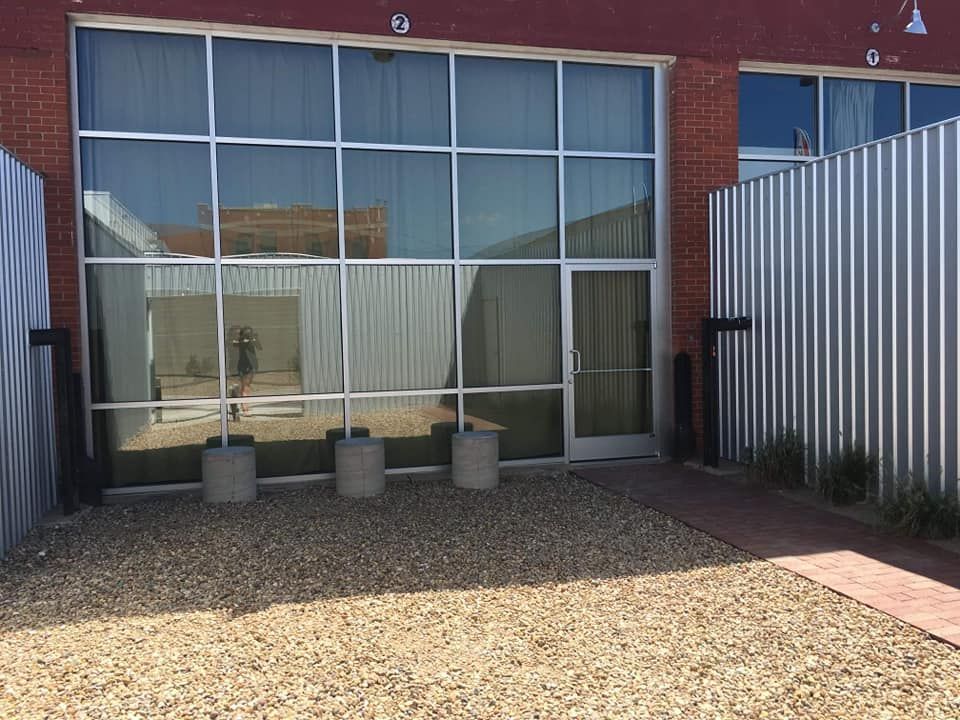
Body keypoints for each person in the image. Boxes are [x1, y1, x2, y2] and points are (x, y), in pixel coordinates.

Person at [233, 326, 261, 415]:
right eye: (247, 333)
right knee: (244, 386)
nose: (248, 335)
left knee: (247, 386)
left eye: (250, 333)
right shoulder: (241, 342)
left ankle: (245, 404)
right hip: (243, 365)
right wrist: (242, 339)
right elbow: (236, 344)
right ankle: (244, 407)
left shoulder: (252, 341)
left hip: (251, 365)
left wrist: (254, 339)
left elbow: (259, 347)